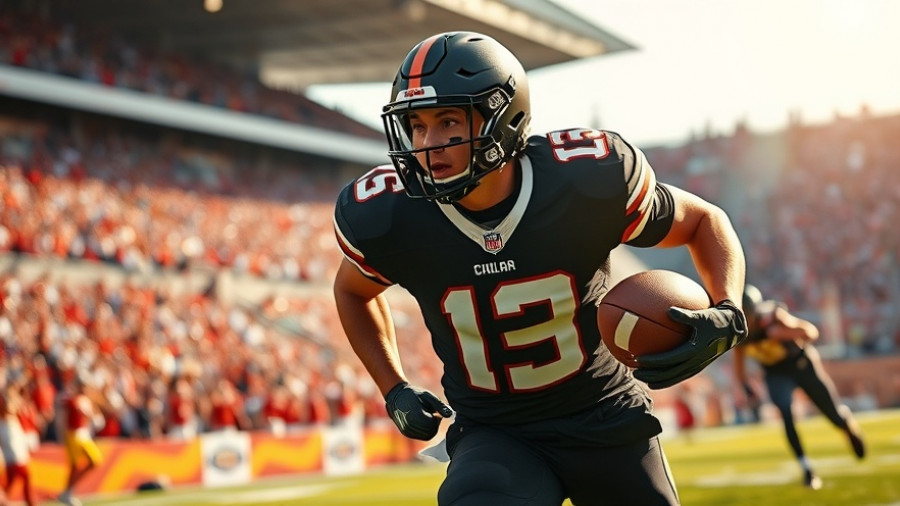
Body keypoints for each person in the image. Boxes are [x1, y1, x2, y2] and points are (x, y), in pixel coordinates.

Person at [332, 31, 748, 505]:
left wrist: (728, 310)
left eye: (448, 121)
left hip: (603, 412)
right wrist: (393, 387)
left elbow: (703, 221)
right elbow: (351, 291)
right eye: (417, 125)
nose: (429, 144)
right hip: (496, 432)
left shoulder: (584, 182)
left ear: (502, 117)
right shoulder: (390, 214)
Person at [733, 284, 866, 490]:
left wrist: (784, 332)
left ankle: (846, 425)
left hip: (801, 365)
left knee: (833, 416)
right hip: (776, 372)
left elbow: (811, 332)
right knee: (785, 411)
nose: (746, 322)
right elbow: (739, 363)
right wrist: (745, 385)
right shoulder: (739, 332)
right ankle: (807, 468)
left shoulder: (774, 317)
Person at [56, 376, 104, 506]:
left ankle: (68, 491)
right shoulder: (72, 400)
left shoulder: (86, 401)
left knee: (94, 460)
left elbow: (94, 419)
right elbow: (63, 417)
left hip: (83, 434)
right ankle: (68, 492)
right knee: (75, 466)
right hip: (73, 434)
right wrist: (61, 435)